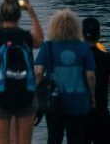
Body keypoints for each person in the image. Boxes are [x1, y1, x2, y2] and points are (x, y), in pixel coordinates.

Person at [0, 0, 43, 144]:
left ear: (2, 15)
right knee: (24, 141)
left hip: (1, 94)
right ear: (19, 16)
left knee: (1, 141)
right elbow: (40, 41)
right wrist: (33, 15)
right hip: (25, 93)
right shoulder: (26, 37)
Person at [34, 9, 96, 144]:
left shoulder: (47, 47)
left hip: (54, 101)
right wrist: (92, 95)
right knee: (77, 139)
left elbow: (38, 72)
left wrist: (34, 94)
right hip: (79, 100)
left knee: (54, 138)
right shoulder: (84, 47)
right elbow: (90, 75)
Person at [82, 17, 110, 143]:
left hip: (79, 113)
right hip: (101, 113)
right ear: (98, 35)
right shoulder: (108, 58)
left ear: (81, 35)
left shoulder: (75, 58)